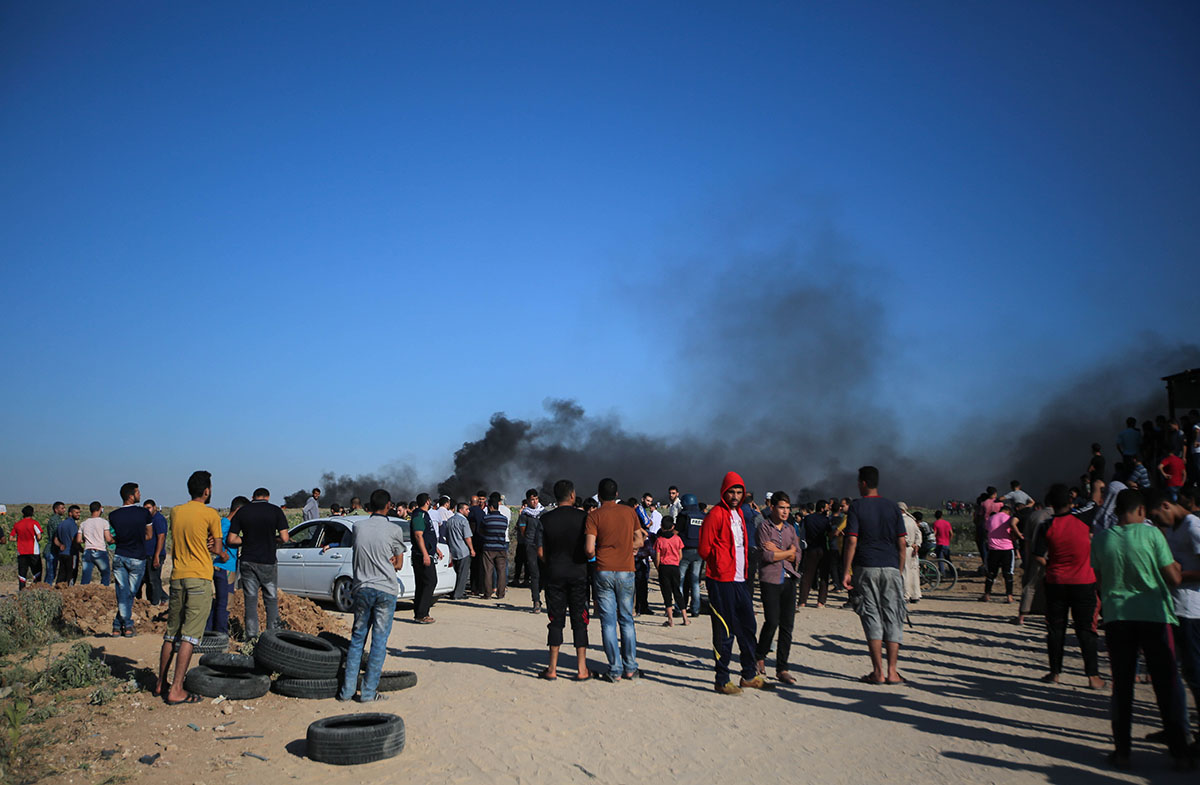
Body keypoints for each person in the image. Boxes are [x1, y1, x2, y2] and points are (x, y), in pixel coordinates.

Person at [1091, 489, 1191, 769]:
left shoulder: (1100, 540)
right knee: (1167, 684)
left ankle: (1122, 752)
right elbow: (1173, 577)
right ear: (1142, 512)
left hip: (1117, 619)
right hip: (1155, 618)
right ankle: (1180, 754)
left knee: (1122, 686)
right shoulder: (1153, 535)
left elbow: (1100, 582)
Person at [157, 470, 228, 705]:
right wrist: (215, 545)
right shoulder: (211, 514)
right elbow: (218, 549)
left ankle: (160, 683)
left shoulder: (176, 511)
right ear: (207, 490)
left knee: (170, 634)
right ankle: (177, 689)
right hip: (199, 578)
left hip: (177, 577)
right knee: (189, 636)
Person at [337, 489, 406, 702]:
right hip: (385, 590)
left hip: (361, 589)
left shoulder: (358, 526)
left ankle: (347, 691)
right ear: (389, 506)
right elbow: (400, 564)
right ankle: (368, 693)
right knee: (379, 642)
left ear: (368, 506)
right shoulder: (394, 529)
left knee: (357, 639)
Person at [1031, 484, 1103, 688]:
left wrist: (1051, 565)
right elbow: (1094, 502)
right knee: (1086, 630)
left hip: (1056, 582)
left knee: (1055, 629)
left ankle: (1054, 673)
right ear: (1071, 501)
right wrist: (1096, 484)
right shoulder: (1083, 518)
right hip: (1084, 582)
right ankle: (1093, 677)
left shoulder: (1046, 526)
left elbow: (1037, 555)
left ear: (1051, 504)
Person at [842, 465, 907, 685]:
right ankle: (893, 671)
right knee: (893, 616)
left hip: (866, 567)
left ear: (862, 483)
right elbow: (902, 543)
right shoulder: (892, 507)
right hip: (890, 566)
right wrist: (898, 570)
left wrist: (846, 571)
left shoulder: (857, 507)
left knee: (871, 616)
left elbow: (851, 540)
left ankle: (877, 672)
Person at [699, 471, 761, 695]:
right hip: (721, 580)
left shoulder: (740, 514)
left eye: (739, 492)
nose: (735, 496)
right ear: (724, 492)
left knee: (748, 627)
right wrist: (720, 560)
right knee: (724, 631)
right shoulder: (715, 514)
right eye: (731, 492)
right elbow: (704, 549)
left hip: (740, 579)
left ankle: (748, 675)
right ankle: (722, 679)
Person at [1148, 490, 1200, 743]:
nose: (1158, 522)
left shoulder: (1193, 526)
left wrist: (1178, 575)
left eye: (1157, 516)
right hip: (1176, 608)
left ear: (1166, 504)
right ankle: (1178, 728)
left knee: (1195, 672)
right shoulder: (1174, 529)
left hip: (1193, 610)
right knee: (1175, 672)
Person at [585, 477, 643, 683]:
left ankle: (615, 669)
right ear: (617, 494)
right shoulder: (629, 512)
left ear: (599, 496)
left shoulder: (594, 516)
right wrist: (630, 548)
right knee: (627, 619)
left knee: (608, 623)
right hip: (626, 570)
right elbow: (640, 539)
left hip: (603, 571)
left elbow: (589, 548)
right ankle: (631, 667)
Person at [538, 479, 591, 680]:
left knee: (555, 620)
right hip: (578, 574)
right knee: (580, 620)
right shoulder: (584, 518)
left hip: (555, 575)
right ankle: (581, 669)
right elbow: (589, 548)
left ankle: (552, 669)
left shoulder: (546, 519)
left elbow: (541, 551)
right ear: (572, 495)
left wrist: (552, 563)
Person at [226, 488, 290, 638]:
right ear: (268, 497)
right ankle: (272, 636)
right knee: (271, 599)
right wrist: (272, 539)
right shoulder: (276, 511)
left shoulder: (243, 512)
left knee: (250, 601)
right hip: (268, 561)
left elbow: (231, 539)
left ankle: (251, 637)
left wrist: (247, 539)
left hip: (248, 560)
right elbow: (285, 538)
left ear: (252, 497)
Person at [755, 492, 798, 684]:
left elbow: (797, 555)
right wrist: (787, 553)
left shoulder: (791, 528)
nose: (785, 512)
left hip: (789, 579)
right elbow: (766, 556)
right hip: (770, 579)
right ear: (772, 507)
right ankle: (760, 655)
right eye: (782, 507)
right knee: (772, 621)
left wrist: (783, 552)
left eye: (788, 508)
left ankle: (782, 667)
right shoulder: (764, 527)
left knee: (787, 625)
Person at [208, 496, 245, 635]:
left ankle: (210, 631)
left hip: (224, 568)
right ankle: (220, 634)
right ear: (238, 510)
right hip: (225, 568)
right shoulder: (225, 524)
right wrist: (222, 553)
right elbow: (210, 542)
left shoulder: (226, 524)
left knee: (219, 602)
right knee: (225, 603)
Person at [410, 492, 443, 621]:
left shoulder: (425, 515)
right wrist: (425, 554)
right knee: (430, 582)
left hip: (427, 552)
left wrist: (436, 549)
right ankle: (422, 613)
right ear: (427, 502)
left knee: (424, 583)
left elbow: (427, 536)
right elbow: (418, 535)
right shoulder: (419, 515)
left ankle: (419, 613)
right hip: (421, 555)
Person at [982, 503, 1020, 603]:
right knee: (1008, 574)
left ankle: (987, 595)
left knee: (991, 573)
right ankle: (1009, 597)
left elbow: (986, 531)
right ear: (1008, 511)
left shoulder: (990, 518)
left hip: (993, 549)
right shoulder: (1009, 519)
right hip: (1007, 549)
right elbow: (1012, 533)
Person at [653, 516, 688, 627]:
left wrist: (658, 568)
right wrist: (676, 561)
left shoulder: (659, 540)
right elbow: (680, 555)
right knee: (677, 591)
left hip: (664, 566)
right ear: (673, 527)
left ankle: (670, 619)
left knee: (666, 592)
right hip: (674, 566)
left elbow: (657, 557)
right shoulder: (677, 539)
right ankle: (685, 618)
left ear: (661, 527)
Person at [798, 499, 833, 608]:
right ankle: (821, 601)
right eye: (827, 508)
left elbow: (802, 533)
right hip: (823, 549)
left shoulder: (807, 519)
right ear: (822, 508)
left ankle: (802, 601)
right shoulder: (826, 520)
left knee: (807, 576)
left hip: (810, 549)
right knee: (823, 576)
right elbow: (829, 534)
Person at [676, 493, 706, 618]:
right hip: (699, 552)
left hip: (685, 551)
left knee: (681, 581)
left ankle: (679, 608)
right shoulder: (703, 516)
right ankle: (695, 609)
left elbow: (676, 532)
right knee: (695, 582)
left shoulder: (683, 516)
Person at [516, 489, 545, 611]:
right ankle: (536, 601)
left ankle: (538, 592)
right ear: (528, 500)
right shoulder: (525, 515)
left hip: (543, 546)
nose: (535, 502)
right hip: (531, 545)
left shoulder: (543, 513)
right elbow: (522, 531)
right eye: (532, 499)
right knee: (534, 573)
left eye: (536, 499)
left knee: (544, 573)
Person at [480, 492, 510, 602]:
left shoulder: (486, 519)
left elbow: (481, 531)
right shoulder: (504, 519)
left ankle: (488, 594)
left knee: (488, 571)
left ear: (491, 507)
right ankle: (501, 593)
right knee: (501, 571)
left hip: (488, 548)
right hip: (501, 548)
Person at [138, 499, 169, 605]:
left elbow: (161, 537)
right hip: (146, 554)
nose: (147, 510)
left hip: (155, 554)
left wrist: (156, 555)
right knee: (147, 579)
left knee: (153, 580)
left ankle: (155, 602)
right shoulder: (146, 519)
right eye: (145, 508)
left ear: (154, 507)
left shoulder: (158, 519)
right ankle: (160, 597)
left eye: (149, 508)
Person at [443, 502, 475, 599]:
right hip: (463, 551)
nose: (468, 511)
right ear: (461, 510)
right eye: (466, 509)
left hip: (453, 550)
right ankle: (458, 594)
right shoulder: (464, 521)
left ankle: (453, 591)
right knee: (463, 574)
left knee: (455, 573)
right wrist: (472, 549)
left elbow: (446, 536)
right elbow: (467, 537)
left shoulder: (449, 521)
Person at [9, 506, 43, 590]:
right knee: (37, 571)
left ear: (23, 514)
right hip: (33, 551)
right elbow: (39, 536)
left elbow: (10, 538)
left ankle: (22, 591)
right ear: (32, 513)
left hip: (21, 551)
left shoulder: (17, 524)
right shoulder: (34, 523)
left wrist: (19, 538)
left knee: (22, 573)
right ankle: (36, 590)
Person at [79, 502, 112, 585]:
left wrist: (86, 539)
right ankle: (103, 592)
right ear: (100, 508)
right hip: (100, 550)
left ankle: (82, 593)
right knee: (105, 574)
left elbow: (78, 540)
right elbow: (108, 539)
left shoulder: (83, 523)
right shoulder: (104, 522)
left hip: (87, 551)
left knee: (86, 576)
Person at [899, 503, 922, 603]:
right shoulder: (912, 520)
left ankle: (906, 595)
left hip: (905, 548)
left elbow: (903, 536)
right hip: (914, 550)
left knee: (905, 571)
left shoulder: (901, 521)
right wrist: (917, 545)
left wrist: (910, 543)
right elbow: (918, 534)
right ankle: (915, 595)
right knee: (914, 572)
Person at [54, 505, 81, 585]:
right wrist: (80, 548)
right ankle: (69, 592)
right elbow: (74, 540)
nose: (78, 514)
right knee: (71, 574)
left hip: (62, 553)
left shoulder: (61, 524)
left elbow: (55, 540)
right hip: (71, 553)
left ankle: (58, 591)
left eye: (79, 513)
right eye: (76, 513)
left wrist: (60, 545)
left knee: (61, 574)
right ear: (70, 513)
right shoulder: (73, 525)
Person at [43, 501, 66, 584]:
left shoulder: (56, 519)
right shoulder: (56, 520)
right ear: (56, 510)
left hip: (53, 550)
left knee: (51, 573)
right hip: (51, 550)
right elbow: (59, 534)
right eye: (62, 508)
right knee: (51, 574)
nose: (64, 510)